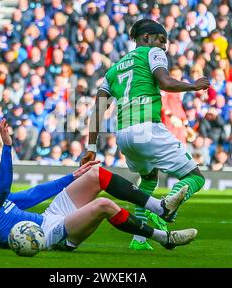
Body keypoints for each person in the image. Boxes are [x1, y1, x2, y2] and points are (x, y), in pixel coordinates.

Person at [0, 119, 198, 252]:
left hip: (48, 219)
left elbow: (35, 193)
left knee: (95, 173)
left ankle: (160, 207)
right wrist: (7, 147)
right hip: (49, 237)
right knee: (103, 205)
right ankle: (164, 238)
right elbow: (2, 188)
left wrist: (74, 176)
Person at [81, 18, 210, 250]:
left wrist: (91, 148)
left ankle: (139, 240)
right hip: (147, 128)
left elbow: (98, 109)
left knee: (149, 178)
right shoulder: (152, 53)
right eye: (161, 40)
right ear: (147, 38)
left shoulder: (113, 69)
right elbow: (165, 82)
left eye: (166, 43)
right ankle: (166, 206)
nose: (164, 46)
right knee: (196, 177)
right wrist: (193, 85)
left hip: (124, 136)